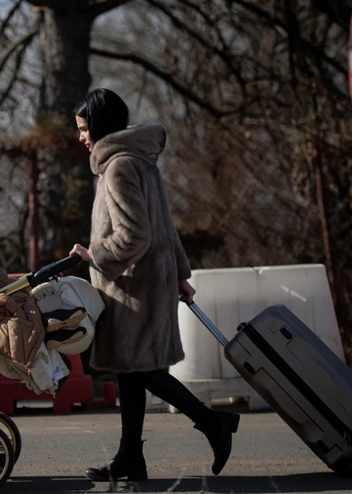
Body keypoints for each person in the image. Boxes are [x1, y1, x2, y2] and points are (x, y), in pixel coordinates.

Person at [69, 87, 239, 482]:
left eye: (82, 128)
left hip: (134, 288)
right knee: (131, 372)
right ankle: (130, 458)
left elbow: (135, 236)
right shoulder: (142, 163)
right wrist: (180, 273)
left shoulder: (118, 168)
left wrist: (94, 254)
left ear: (98, 126)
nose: (80, 137)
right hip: (152, 282)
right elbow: (166, 227)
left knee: (141, 370)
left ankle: (213, 423)